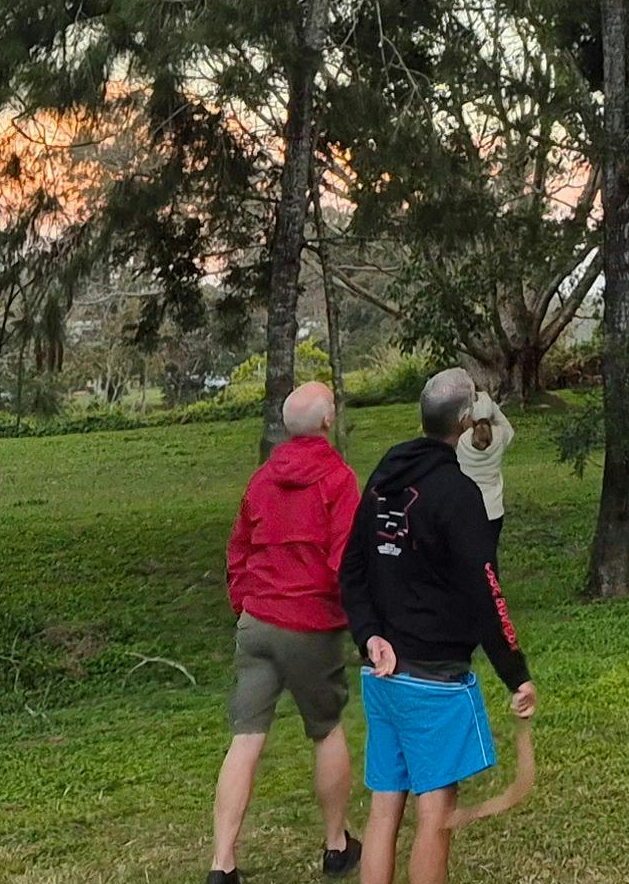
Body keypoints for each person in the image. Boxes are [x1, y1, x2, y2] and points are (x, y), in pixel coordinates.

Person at [340, 366, 537, 884]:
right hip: (433, 682)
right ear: (467, 419)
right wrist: (516, 673)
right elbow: (485, 590)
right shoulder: (457, 493)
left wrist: (367, 635)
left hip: (382, 677)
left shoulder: (383, 477)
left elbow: (351, 568)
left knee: (385, 809)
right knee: (435, 819)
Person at [212, 378, 365, 884]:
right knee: (326, 730)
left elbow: (238, 548)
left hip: (256, 622)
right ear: (327, 421)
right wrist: (366, 625)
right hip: (309, 625)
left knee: (245, 738)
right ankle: (336, 844)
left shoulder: (261, 479)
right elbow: (348, 561)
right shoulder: (338, 479)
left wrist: (245, 605)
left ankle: (223, 863)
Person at [455, 382, 511, 534]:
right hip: (494, 509)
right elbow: (509, 430)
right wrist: (493, 408)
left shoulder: (461, 441)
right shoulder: (500, 436)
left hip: (467, 507)